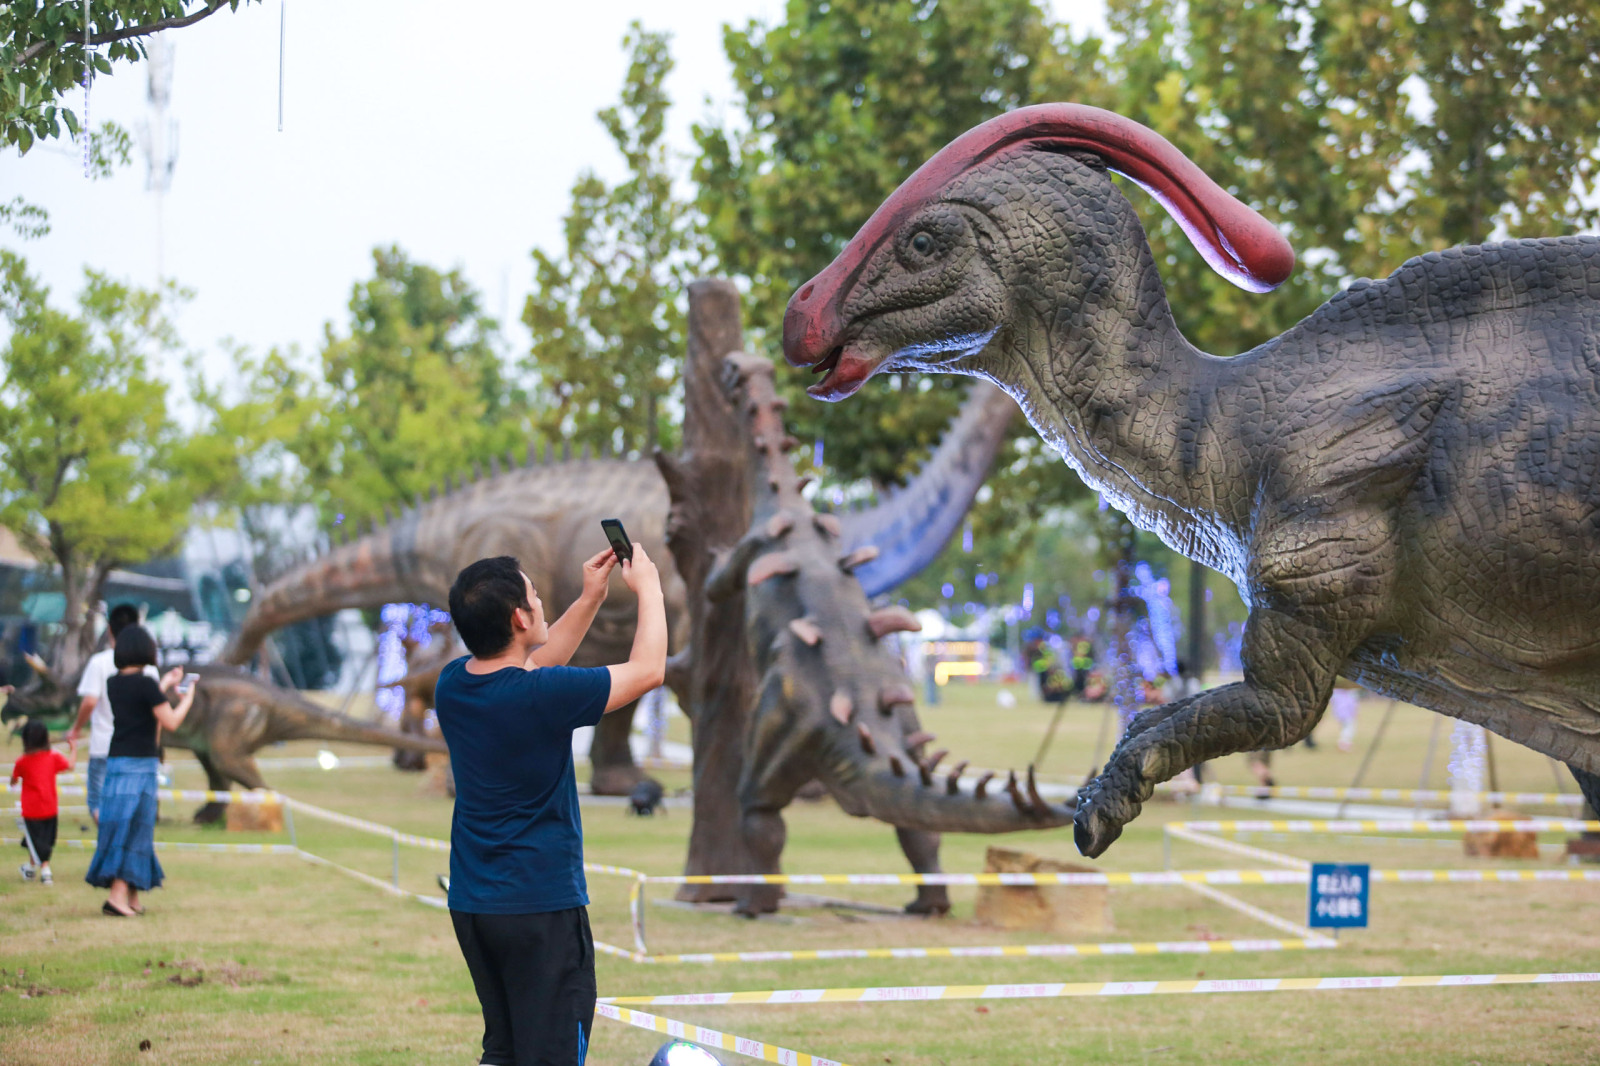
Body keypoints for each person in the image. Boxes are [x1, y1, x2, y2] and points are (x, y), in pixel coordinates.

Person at [435, 547, 665, 1066]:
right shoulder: (543, 695)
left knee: (506, 1049)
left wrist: (590, 598)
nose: (540, 601)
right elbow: (648, 671)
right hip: (539, 907)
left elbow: (532, 660)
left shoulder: (454, 685)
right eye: (535, 595)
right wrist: (649, 586)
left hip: (476, 905)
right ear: (520, 617)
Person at [84, 624, 194, 917]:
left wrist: (166, 684)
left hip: (116, 763)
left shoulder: (113, 683)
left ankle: (131, 896)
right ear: (145, 651)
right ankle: (117, 898)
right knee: (135, 828)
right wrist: (188, 699)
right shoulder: (145, 684)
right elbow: (169, 721)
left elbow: (143, 704)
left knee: (128, 825)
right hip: (140, 766)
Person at [68, 604, 149, 824]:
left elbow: (90, 700)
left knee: (99, 804)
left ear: (110, 630)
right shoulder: (148, 668)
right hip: (139, 750)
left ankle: (109, 847)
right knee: (132, 807)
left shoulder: (100, 663)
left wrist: (75, 729)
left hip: (104, 747)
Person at [11, 720, 76, 884]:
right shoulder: (53, 756)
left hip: (31, 809)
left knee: (36, 841)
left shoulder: (22, 761)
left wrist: (14, 781)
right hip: (50, 807)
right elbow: (71, 765)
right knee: (41, 840)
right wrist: (73, 749)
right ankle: (31, 869)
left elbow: (14, 779)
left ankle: (46, 871)